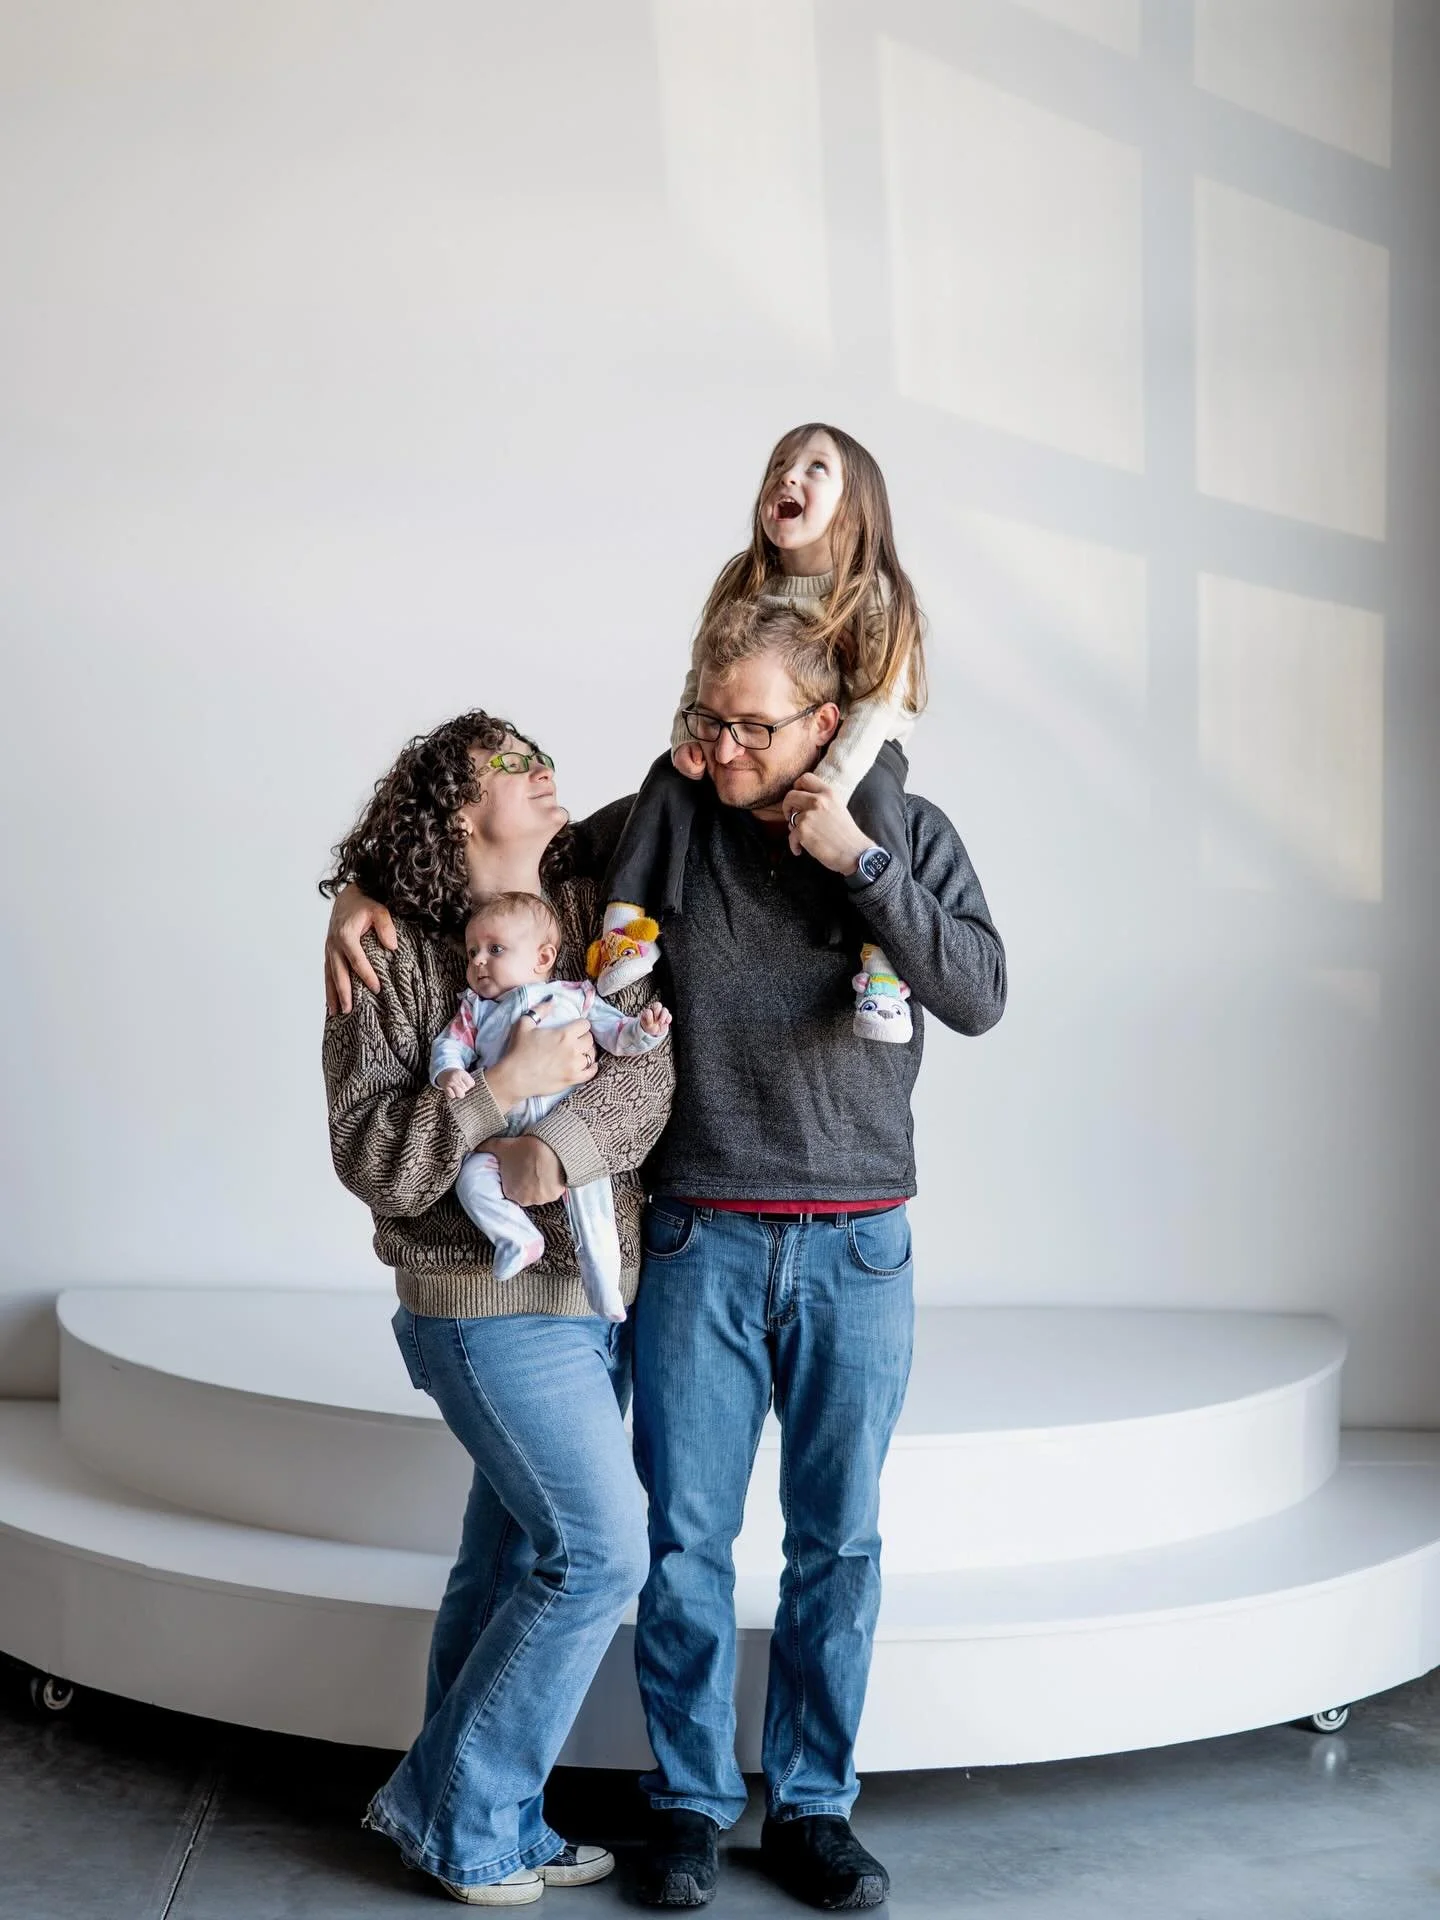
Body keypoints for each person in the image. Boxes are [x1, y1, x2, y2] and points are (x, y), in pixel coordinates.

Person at [324, 606, 1007, 1911]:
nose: (720, 745)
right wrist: (365, 907)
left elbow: (960, 994)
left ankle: (788, 1806)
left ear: (820, 726)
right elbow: (458, 931)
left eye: (753, 724)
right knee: (654, 1546)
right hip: (654, 1253)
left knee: (816, 1542)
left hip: (811, 1249)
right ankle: (644, 1804)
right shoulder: (618, 846)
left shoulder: (847, 841)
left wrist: (857, 856)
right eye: (707, 719)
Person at [320, 713, 674, 1907]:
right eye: (514, 766)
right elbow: (373, 1157)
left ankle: (501, 1819)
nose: (546, 772)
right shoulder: (391, 954)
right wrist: (499, 1100)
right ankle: (454, 1810)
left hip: (594, 1297)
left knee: (511, 1558)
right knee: (599, 1551)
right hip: (480, 1308)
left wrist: (556, 1148)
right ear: (462, 812)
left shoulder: (590, 898)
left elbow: (648, 1078)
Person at [591, 423, 928, 1045]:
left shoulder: (871, 594)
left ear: (858, 506)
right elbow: (701, 675)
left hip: (859, 751)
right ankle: (623, 928)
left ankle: (880, 973)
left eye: (816, 467)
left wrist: (832, 792)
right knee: (667, 777)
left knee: (875, 795)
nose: (788, 475)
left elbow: (881, 702)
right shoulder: (745, 581)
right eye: (779, 463)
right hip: (787, 763)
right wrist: (686, 738)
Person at [432, 889, 671, 1318]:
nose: (478, 961)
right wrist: (448, 1072)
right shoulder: (476, 1011)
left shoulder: (574, 997)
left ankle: (603, 1284)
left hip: (566, 1134)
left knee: (594, 1209)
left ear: (542, 959)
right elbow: (449, 1047)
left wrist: (645, 1031)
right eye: (472, 952)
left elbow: (617, 1036)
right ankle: (517, 1238)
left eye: (495, 949)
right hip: (499, 1135)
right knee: (471, 1179)